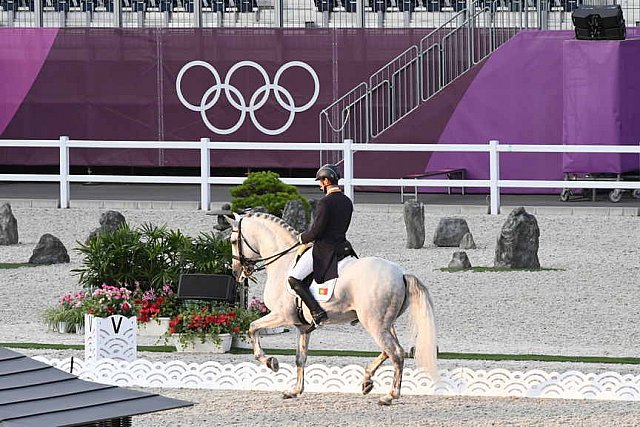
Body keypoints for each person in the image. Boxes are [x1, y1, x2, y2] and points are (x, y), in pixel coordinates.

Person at [287, 164, 354, 327]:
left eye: (320, 181)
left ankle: (316, 311)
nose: (319, 185)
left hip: (325, 248)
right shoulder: (347, 201)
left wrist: (302, 237)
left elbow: (316, 231)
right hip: (343, 247)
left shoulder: (325, 202)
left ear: (326, 180)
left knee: (294, 279)